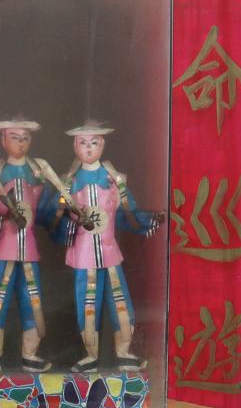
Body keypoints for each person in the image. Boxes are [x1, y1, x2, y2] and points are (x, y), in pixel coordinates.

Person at [41, 123, 159, 369]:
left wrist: (149, 221)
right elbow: (53, 216)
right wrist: (67, 218)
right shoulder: (70, 182)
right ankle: (91, 355)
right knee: (87, 303)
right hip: (84, 254)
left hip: (110, 251)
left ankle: (123, 352)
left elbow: (128, 212)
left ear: (103, 145)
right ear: (75, 146)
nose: (88, 148)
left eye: (94, 143)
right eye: (83, 143)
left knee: (119, 300)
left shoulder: (113, 179)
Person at [0, 118, 50, 371]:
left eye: (25, 138)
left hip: (29, 246)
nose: (21, 143)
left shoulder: (37, 172)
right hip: (3, 245)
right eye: (15, 138)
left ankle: (30, 353)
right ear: (3, 140)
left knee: (31, 298)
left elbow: (47, 209)